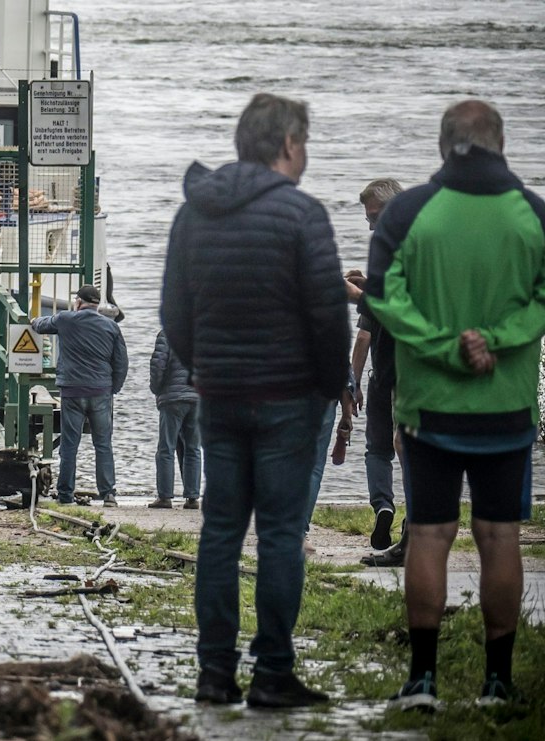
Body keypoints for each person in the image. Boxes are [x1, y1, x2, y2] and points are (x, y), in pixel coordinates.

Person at [159, 92, 349, 709]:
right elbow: (329, 315)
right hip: (288, 397)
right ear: (289, 144)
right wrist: (329, 387)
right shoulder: (302, 215)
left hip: (219, 395)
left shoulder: (193, 214)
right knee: (280, 535)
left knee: (220, 532)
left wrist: (205, 367)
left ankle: (214, 673)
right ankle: (272, 673)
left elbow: (173, 311)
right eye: (305, 142)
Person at [363, 99, 545, 712]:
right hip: (506, 408)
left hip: (429, 409)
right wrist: (495, 341)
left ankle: (422, 682)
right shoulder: (533, 213)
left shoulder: (407, 212)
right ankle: (497, 683)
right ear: (501, 144)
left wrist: (445, 348)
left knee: (429, 536)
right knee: (499, 537)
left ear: (444, 145)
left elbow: (383, 299)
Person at [344, 178, 406, 566]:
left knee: (388, 449)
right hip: (391, 370)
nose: (370, 227)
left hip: (401, 371)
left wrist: (359, 296)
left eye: (374, 217)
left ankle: (387, 508)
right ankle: (409, 530)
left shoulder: (404, 248)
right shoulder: (392, 251)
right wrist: (369, 288)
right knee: (401, 448)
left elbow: (370, 330)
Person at [33, 286, 128, 505]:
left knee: (69, 446)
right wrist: (113, 389)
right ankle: (108, 494)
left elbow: (41, 325)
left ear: (78, 302)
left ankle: (65, 495)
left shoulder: (66, 319)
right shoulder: (111, 326)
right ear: (97, 304)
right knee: (103, 445)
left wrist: (32, 321)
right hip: (101, 392)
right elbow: (121, 363)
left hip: (72, 391)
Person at [148, 329, 201, 510]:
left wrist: (156, 389)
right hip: (198, 398)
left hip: (172, 399)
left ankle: (165, 497)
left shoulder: (167, 333)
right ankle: (192, 497)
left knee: (166, 448)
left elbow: (158, 365)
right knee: (193, 448)